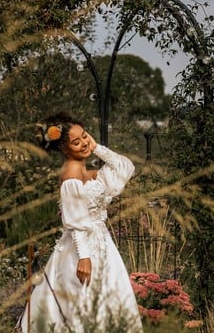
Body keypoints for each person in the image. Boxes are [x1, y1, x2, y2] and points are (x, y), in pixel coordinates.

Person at [20, 112, 143, 333]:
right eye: (76, 142)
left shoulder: (85, 169)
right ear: (64, 148)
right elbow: (75, 220)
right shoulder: (71, 174)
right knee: (83, 305)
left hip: (102, 242)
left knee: (108, 301)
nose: (84, 143)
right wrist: (84, 257)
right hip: (81, 249)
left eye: (85, 136)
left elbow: (125, 168)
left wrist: (96, 147)